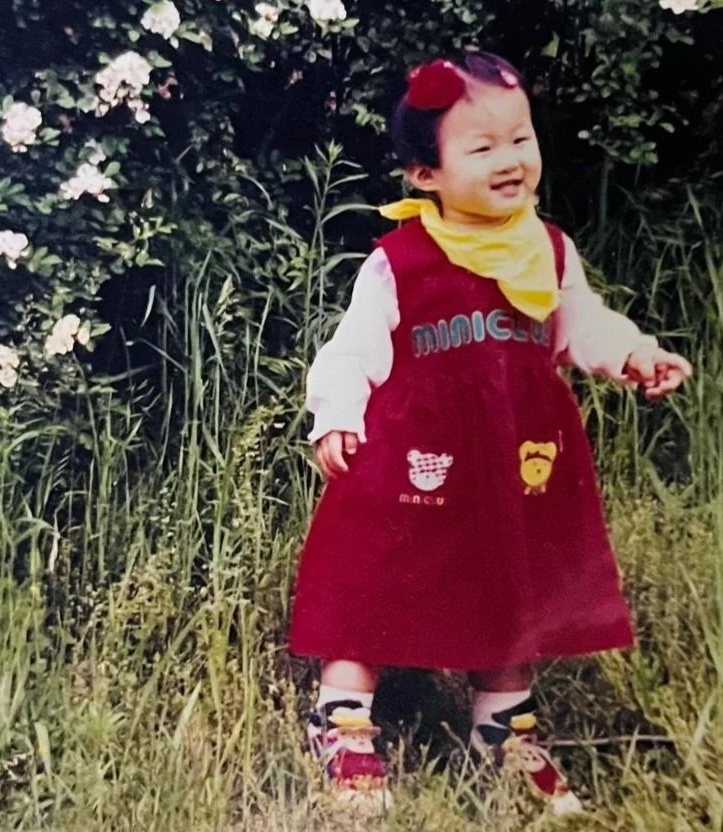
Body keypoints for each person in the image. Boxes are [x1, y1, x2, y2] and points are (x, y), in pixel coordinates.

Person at [288, 51, 693, 814]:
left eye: (521, 139)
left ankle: (503, 732)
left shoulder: (547, 249)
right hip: (414, 464)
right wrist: (336, 415)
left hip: (514, 463)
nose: (510, 160)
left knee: (512, 583)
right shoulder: (400, 260)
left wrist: (633, 354)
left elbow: (580, 324)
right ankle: (343, 722)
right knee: (377, 580)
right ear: (426, 174)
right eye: (482, 147)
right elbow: (351, 349)